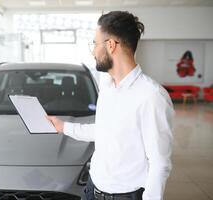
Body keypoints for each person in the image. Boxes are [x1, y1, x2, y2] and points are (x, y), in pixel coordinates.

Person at [47, 11, 174, 200]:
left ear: (111, 45)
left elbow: (160, 163)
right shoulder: (107, 87)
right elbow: (103, 131)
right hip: (93, 188)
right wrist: (63, 126)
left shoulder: (152, 96)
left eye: (95, 44)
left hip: (125, 196)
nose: (93, 51)